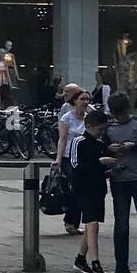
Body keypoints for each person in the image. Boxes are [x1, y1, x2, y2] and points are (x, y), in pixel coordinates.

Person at [105, 91, 137, 273]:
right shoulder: (109, 128)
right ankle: (121, 264)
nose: (120, 117)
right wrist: (109, 149)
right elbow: (102, 149)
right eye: (117, 115)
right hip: (120, 180)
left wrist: (133, 145)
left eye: (122, 113)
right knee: (122, 225)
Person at [70, 109, 114, 273]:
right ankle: (95, 264)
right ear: (88, 126)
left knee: (91, 224)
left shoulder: (100, 144)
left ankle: (81, 259)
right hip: (84, 188)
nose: (101, 134)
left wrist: (108, 170)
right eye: (99, 130)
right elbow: (76, 166)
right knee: (92, 223)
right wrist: (99, 163)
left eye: (103, 130)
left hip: (98, 188)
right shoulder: (79, 142)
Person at [54, 86, 88, 236]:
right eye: (82, 99)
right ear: (75, 101)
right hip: (69, 157)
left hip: (84, 158)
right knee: (75, 188)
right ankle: (70, 220)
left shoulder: (89, 118)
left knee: (81, 190)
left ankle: (74, 222)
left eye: (87, 99)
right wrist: (58, 160)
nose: (85, 102)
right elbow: (62, 140)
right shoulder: (67, 117)